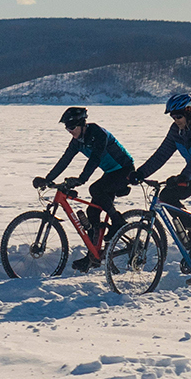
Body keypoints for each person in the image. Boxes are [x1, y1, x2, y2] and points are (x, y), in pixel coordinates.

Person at [130, 93, 191, 287]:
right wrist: (140, 173)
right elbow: (161, 154)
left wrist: (184, 177)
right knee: (166, 196)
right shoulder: (176, 130)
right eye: (173, 118)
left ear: (189, 112)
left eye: (178, 117)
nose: (176, 121)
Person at [32, 106, 136, 271]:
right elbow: (65, 160)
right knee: (92, 213)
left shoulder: (98, 134)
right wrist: (47, 179)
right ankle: (93, 256)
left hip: (125, 170)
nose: (69, 131)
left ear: (81, 124)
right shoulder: (77, 142)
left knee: (95, 189)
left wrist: (81, 179)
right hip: (110, 172)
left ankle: (118, 222)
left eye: (71, 127)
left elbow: (95, 158)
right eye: (67, 128)